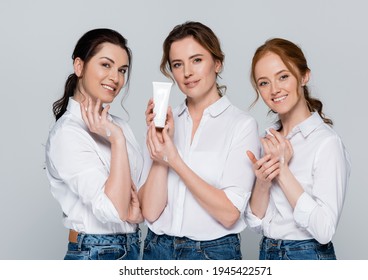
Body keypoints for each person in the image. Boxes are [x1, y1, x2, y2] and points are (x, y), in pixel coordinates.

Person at [139, 21, 260, 260]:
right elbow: (151, 212)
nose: (187, 73)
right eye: (177, 64)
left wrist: (174, 159)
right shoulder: (166, 121)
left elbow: (229, 214)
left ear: (217, 63)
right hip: (157, 249)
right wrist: (161, 154)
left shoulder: (241, 125)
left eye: (197, 60)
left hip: (211, 253)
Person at [245, 38, 351, 260]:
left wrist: (282, 171)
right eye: (263, 83)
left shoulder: (326, 142)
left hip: (307, 255)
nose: (274, 90)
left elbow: (324, 230)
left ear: (304, 76)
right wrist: (263, 182)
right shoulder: (267, 140)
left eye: (283, 76)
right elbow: (255, 222)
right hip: (267, 252)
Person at [45, 28, 143, 260]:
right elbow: (115, 209)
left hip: (133, 248)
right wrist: (116, 140)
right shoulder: (68, 134)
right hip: (94, 252)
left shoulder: (119, 126)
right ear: (79, 66)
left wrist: (138, 215)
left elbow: (140, 195)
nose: (116, 78)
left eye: (122, 70)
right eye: (106, 65)